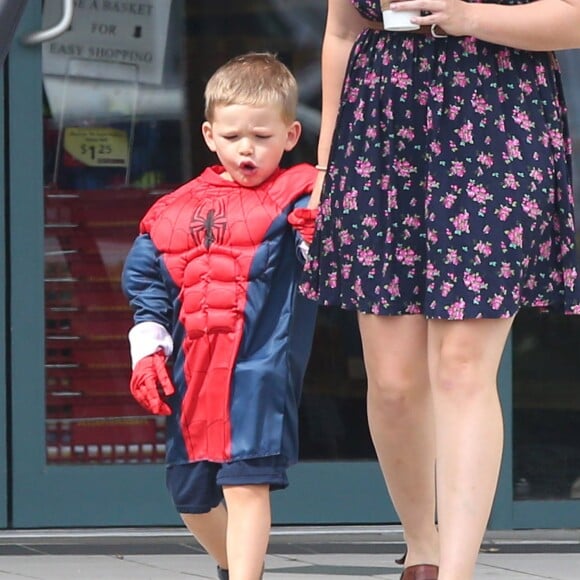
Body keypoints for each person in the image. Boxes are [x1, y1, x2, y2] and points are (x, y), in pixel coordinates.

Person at [301, 1, 580, 579]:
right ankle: (421, 546)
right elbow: (340, 31)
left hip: (497, 118)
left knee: (460, 366)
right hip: (379, 128)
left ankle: (455, 571)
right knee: (395, 381)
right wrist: (327, 164)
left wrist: (467, 15)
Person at [122, 52, 318, 580]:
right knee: (188, 494)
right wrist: (149, 352)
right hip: (194, 373)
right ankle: (235, 567)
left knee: (246, 483)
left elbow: (329, 266)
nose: (247, 148)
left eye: (261, 135)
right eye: (233, 137)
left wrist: (317, 237)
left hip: (260, 369)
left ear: (291, 133)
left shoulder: (303, 195)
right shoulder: (171, 210)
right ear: (210, 135)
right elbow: (147, 286)